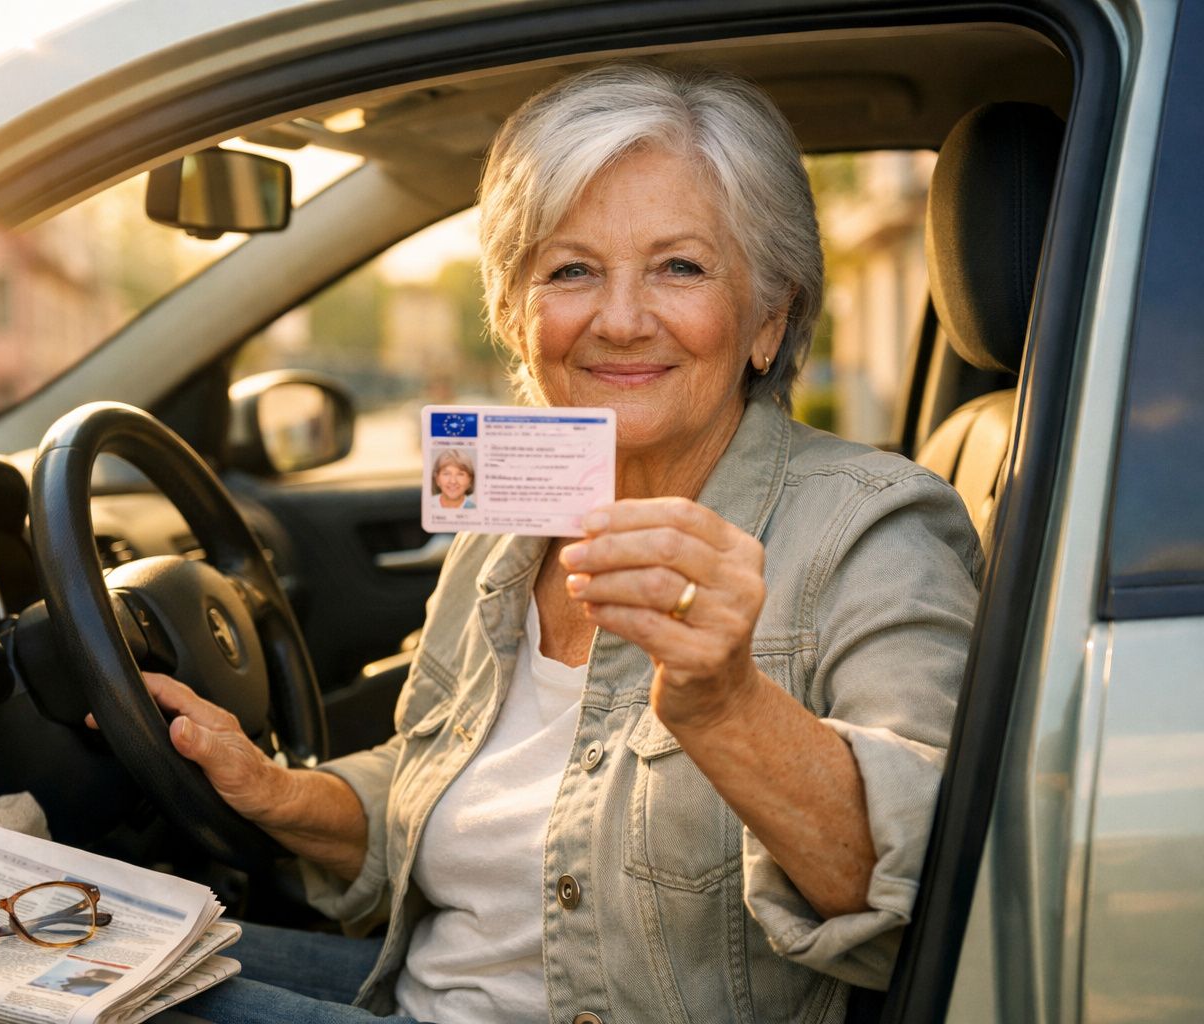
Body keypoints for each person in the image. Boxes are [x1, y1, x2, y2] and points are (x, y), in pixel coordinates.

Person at [155, 63, 981, 1023]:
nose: (620, 321)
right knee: (82, 940)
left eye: (680, 267)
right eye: (572, 271)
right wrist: (274, 791)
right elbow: (438, 787)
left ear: (770, 318)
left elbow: (929, 897)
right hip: (417, 997)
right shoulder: (511, 517)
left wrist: (727, 704)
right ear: (516, 316)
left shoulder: (874, 527)